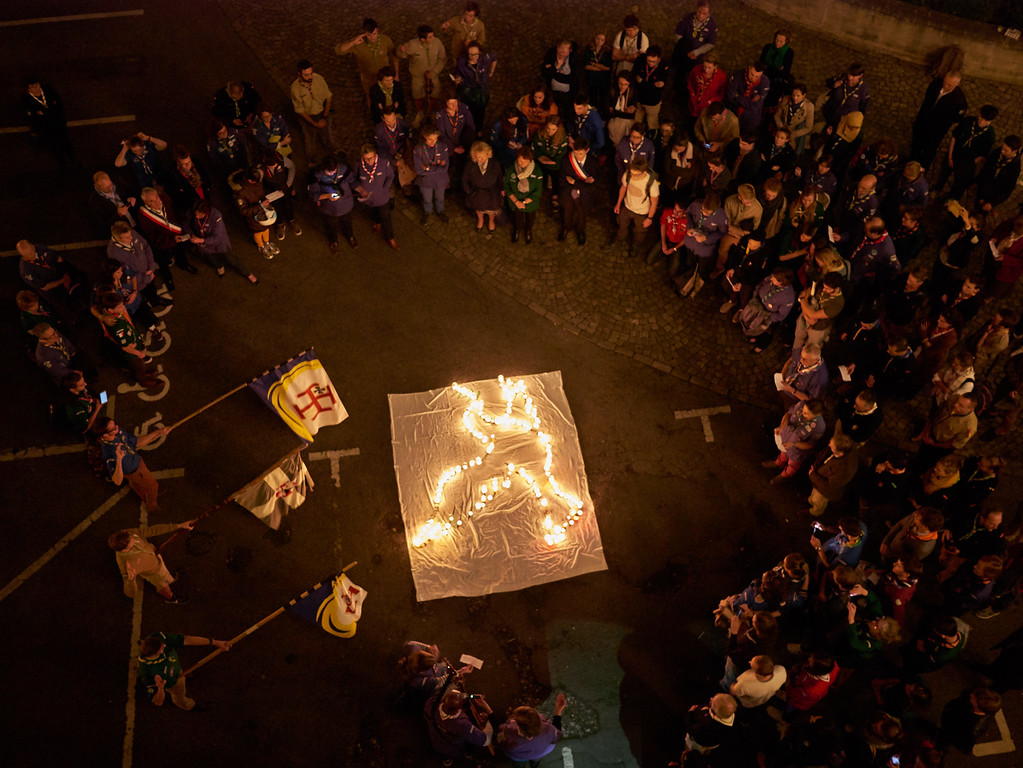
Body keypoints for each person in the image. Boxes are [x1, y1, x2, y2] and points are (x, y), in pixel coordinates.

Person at [94, 416, 170, 512]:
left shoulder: (118, 432)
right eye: (113, 428)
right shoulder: (109, 453)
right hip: (135, 471)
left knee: (137, 483)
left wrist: (159, 432)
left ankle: (136, 486)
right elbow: (117, 481)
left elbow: (136, 442)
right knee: (153, 486)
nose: (117, 427)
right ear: (105, 435)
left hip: (136, 461)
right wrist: (119, 459)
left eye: (115, 424)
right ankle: (152, 507)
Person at [137, 632, 231, 710]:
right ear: (154, 655)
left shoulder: (159, 638)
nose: (165, 645)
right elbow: (158, 702)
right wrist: (161, 689)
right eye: (161, 648)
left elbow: (187, 639)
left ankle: (184, 676)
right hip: (174, 683)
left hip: (177, 671)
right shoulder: (146, 672)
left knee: (182, 676)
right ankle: (189, 706)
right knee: (179, 697)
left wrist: (214, 642)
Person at [109, 520, 194, 601]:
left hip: (157, 559)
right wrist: (131, 580)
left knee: (166, 576)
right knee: (163, 586)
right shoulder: (126, 564)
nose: (134, 538)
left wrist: (179, 525)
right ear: (125, 549)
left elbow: (152, 530)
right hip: (154, 573)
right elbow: (131, 594)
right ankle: (171, 598)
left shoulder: (128, 534)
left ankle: (169, 578)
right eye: (131, 541)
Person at [935, 105, 998, 199]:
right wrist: (950, 157)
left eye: (986, 120)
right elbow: (954, 137)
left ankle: (951, 198)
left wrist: (966, 165)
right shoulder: (968, 121)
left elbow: (981, 156)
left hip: (967, 162)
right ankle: (937, 189)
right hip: (954, 153)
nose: (981, 121)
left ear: (990, 121)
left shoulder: (990, 135)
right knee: (944, 173)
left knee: (960, 184)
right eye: (981, 117)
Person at [187, 201, 258, 283]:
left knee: (232, 259)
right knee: (212, 259)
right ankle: (219, 267)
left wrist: (200, 240)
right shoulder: (193, 213)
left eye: (199, 215)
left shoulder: (216, 217)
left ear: (206, 213)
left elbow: (217, 237)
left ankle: (248, 274)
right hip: (205, 245)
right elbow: (186, 223)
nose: (196, 217)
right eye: (195, 214)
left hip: (219, 243)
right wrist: (191, 234)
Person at [911, 71, 968, 170]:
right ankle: (912, 163)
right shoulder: (936, 84)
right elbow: (927, 100)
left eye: (949, 85)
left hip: (936, 130)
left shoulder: (959, 101)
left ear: (957, 84)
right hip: (922, 121)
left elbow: (957, 118)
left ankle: (923, 168)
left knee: (929, 149)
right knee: (916, 144)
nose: (945, 86)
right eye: (945, 82)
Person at [138, 186, 197, 278]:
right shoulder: (144, 215)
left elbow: (176, 212)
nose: (156, 202)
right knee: (163, 260)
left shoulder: (165, 198)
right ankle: (168, 278)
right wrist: (170, 240)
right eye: (151, 201)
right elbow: (152, 235)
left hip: (175, 234)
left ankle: (184, 265)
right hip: (162, 242)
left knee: (179, 252)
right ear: (146, 203)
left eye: (156, 197)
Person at [763, 398, 826, 484]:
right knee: (783, 453)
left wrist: (794, 444)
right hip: (786, 438)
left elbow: (810, 445)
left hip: (797, 451)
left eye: (806, 413)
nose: (802, 413)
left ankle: (783, 476)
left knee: (793, 465)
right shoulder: (801, 404)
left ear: (817, 415)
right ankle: (778, 463)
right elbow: (789, 414)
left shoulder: (819, 427)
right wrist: (782, 426)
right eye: (803, 410)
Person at [108, 222, 170, 307]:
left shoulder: (131, 233)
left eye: (130, 234)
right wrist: (146, 277)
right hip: (140, 281)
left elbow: (146, 247)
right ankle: (153, 301)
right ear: (117, 238)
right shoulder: (114, 254)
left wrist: (151, 268)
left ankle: (155, 300)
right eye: (127, 237)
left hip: (148, 271)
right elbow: (125, 276)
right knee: (146, 292)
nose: (131, 238)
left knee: (152, 288)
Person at [335, 18, 398, 101]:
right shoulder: (358, 43)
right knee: (371, 97)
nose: (372, 37)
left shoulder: (385, 40)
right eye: (369, 35)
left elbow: (394, 57)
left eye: (374, 34)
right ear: (364, 33)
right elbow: (339, 50)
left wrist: (396, 74)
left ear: (377, 30)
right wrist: (353, 42)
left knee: (388, 97)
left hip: (384, 77)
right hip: (368, 78)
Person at [675, 192, 727, 291]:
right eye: (702, 209)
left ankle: (700, 282)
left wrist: (707, 238)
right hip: (691, 242)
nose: (703, 213)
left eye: (707, 213)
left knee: (703, 268)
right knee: (689, 262)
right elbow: (688, 214)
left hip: (706, 248)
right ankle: (687, 281)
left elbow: (722, 232)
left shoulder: (721, 216)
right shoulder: (696, 204)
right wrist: (690, 227)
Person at [17, 239, 88, 309]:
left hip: (59, 276)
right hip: (53, 292)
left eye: (31, 253)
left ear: (33, 246)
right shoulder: (26, 271)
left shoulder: (38, 248)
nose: (31, 257)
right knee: (69, 305)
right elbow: (44, 287)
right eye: (27, 256)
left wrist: (65, 272)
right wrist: (63, 280)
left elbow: (57, 258)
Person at [497, 694, 566, 766]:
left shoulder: (508, 733)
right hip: (540, 752)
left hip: (519, 756)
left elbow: (501, 743)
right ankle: (535, 764)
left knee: (519, 763)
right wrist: (558, 710)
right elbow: (557, 732)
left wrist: (489, 712)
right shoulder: (548, 728)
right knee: (536, 759)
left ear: (519, 728)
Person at [425, 688, 493, 761]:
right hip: (453, 748)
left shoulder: (431, 703)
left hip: (436, 741)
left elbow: (439, 693)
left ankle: (446, 759)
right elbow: (486, 740)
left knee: (443, 752)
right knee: (467, 745)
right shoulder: (462, 725)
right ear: (460, 707)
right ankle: (467, 754)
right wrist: (488, 722)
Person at [308, 154, 357, 254]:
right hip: (329, 208)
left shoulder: (344, 169)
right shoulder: (316, 176)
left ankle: (350, 236)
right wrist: (327, 196)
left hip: (345, 204)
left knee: (347, 222)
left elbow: (352, 181)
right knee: (331, 226)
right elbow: (313, 195)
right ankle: (334, 241)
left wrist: (361, 189)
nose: (332, 174)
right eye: (329, 171)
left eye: (334, 171)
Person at [21, 77, 75, 168]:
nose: (36, 88)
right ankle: (63, 164)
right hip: (45, 127)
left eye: (37, 85)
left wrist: (44, 113)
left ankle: (73, 161)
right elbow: (32, 115)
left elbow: (59, 104)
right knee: (55, 146)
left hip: (58, 123)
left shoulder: (48, 90)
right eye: (33, 86)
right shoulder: (27, 99)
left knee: (66, 142)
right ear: (29, 89)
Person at [738, 269, 795, 352]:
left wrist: (768, 317)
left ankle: (761, 344)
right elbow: (762, 283)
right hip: (758, 304)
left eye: (774, 279)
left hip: (767, 314)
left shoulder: (788, 298)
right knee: (751, 322)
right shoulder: (772, 277)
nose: (771, 279)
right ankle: (753, 336)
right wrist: (756, 293)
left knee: (764, 332)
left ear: (781, 283)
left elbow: (781, 315)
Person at [672, 1, 718, 105]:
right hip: (684, 53)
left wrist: (696, 52)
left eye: (704, 13)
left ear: (708, 13)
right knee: (680, 74)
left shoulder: (711, 24)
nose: (701, 15)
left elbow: (711, 43)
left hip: (697, 57)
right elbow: (678, 35)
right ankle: (676, 93)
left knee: (693, 76)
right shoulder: (688, 18)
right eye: (699, 12)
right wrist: (687, 50)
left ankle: (690, 97)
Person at [399, 25, 446, 126]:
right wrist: (402, 51)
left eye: (432, 36)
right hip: (417, 76)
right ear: (422, 39)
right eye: (430, 37)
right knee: (417, 93)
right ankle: (420, 112)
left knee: (436, 90)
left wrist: (434, 72)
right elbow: (402, 55)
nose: (433, 39)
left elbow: (442, 59)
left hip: (433, 75)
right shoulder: (412, 45)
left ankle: (431, 110)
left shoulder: (437, 42)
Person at [612, 157, 659, 256]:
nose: (633, 177)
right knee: (622, 224)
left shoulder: (651, 183)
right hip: (627, 206)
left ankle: (635, 245)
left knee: (640, 231)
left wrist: (649, 218)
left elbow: (654, 202)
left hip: (642, 212)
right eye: (632, 173)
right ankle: (618, 240)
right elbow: (623, 188)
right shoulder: (628, 175)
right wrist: (618, 204)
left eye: (636, 175)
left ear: (644, 172)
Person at [355, 143, 397, 249]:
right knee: (373, 211)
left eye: (370, 158)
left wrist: (385, 188)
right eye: (366, 159)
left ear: (375, 155)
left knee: (386, 217)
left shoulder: (383, 163)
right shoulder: (358, 165)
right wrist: (360, 190)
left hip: (382, 197)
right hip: (367, 198)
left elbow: (390, 176)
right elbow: (353, 180)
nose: (368, 161)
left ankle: (390, 238)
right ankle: (377, 222)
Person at [290, 59, 334, 162]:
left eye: (311, 73)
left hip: (322, 112)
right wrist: (314, 124)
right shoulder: (295, 88)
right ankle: (312, 161)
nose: (310, 77)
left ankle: (332, 152)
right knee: (309, 140)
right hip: (307, 116)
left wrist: (324, 117)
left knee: (327, 134)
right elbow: (300, 110)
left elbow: (328, 97)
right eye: (306, 75)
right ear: (299, 74)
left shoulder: (318, 79)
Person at [806, 434, 859, 516]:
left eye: (831, 446)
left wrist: (813, 475)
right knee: (813, 495)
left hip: (825, 491)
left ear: (840, 453)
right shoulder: (838, 448)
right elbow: (823, 454)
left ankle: (812, 512)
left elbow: (829, 486)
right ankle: (809, 501)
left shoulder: (844, 469)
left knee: (818, 503)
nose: (829, 445)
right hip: (818, 481)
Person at [559, 137, 598, 245]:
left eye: (580, 154)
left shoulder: (592, 162)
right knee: (567, 210)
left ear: (587, 151)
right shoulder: (567, 159)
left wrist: (589, 181)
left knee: (581, 212)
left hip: (584, 192)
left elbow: (595, 180)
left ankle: (580, 230)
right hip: (569, 190)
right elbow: (561, 176)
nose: (577, 156)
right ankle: (566, 227)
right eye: (575, 152)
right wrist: (566, 178)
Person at [939, 688, 1002, 754]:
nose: (982, 697)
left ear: (982, 709)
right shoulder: (972, 699)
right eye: (985, 696)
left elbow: (966, 743)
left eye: (985, 702)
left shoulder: (971, 725)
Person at [234, 166, 278, 259]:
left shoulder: (257, 182)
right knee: (258, 232)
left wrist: (266, 200)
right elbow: (244, 211)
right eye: (256, 180)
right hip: (253, 217)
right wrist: (260, 206)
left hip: (263, 212)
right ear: (250, 180)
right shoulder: (241, 192)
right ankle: (261, 246)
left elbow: (261, 193)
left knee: (266, 228)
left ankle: (267, 243)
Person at [792, 272, 844, 350]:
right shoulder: (822, 284)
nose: (823, 289)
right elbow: (808, 290)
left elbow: (813, 315)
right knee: (798, 337)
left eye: (827, 288)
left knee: (811, 347)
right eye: (824, 287)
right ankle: (795, 356)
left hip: (819, 327)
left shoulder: (837, 303)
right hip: (805, 316)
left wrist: (802, 300)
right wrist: (806, 311)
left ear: (836, 289)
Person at [453, 42, 497, 130]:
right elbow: (457, 74)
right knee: (468, 111)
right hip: (468, 90)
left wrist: (491, 72)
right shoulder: (462, 62)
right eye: (471, 54)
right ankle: (469, 128)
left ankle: (478, 128)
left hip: (482, 90)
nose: (473, 57)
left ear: (479, 53)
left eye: (475, 54)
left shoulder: (484, 58)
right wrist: (457, 79)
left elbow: (494, 57)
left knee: (481, 111)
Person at [258, 149, 301, 241]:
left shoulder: (281, 160)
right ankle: (280, 224)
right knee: (276, 207)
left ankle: (292, 220)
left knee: (288, 203)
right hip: (271, 191)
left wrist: (288, 184)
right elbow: (259, 182)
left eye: (276, 165)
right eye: (272, 166)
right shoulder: (260, 167)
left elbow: (292, 167)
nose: (275, 167)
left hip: (284, 187)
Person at [504, 146, 543, 244]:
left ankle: (528, 231)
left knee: (530, 217)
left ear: (530, 160)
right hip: (515, 201)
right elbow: (506, 186)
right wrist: (516, 202)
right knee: (517, 217)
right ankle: (517, 230)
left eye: (525, 162)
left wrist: (524, 202)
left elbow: (538, 191)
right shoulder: (511, 168)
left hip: (530, 202)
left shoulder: (537, 171)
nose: (522, 164)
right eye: (520, 161)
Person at [413, 126, 450, 225]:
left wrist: (428, 168)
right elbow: (419, 170)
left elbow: (445, 167)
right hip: (426, 181)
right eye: (430, 139)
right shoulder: (418, 149)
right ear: (424, 137)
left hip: (440, 179)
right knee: (427, 198)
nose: (433, 142)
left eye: (435, 139)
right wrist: (437, 168)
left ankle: (440, 211)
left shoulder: (442, 147)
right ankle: (427, 212)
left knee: (440, 197)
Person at [463, 141, 502, 234]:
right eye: (478, 157)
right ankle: (480, 220)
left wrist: (500, 190)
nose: (481, 159)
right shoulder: (470, 165)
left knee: (491, 210)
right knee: (479, 209)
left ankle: (491, 221)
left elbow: (500, 178)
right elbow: (465, 178)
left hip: (491, 192)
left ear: (488, 154)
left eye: (483, 156)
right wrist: (468, 191)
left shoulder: (495, 164)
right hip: (477, 192)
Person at [975, 136, 1022, 212]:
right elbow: (986, 168)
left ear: (1014, 151)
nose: (1002, 151)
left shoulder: (1015, 168)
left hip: (991, 196)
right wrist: (977, 181)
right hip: (983, 188)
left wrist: (992, 203)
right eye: (1002, 147)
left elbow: (1007, 190)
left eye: (1005, 150)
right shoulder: (998, 152)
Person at [881, 507, 946, 563]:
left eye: (918, 518)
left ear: (925, 527)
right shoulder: (917, 515)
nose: (915, 515)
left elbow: (907, 560)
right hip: (887, 546)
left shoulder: (924, 547)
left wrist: (887, 554)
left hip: (892, 560)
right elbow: (900, 524)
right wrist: (885, 541)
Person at [682, 694, 736, 758]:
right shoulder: (728, 715)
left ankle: (688, 754)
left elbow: (691, 729)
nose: (711, 699)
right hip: (712, 743)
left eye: (713, 703)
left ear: (714, 713)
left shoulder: (707, 724)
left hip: (698, 741)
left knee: (694, 749)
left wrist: (690, 713)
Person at [532, 116, 568, 211]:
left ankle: (555, 195)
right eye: (548, 128)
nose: (550, 131)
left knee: (555, 179)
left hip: (554, 165)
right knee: (541, 177)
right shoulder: (539, 133)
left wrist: (553, 161)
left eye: (553, 129)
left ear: (558, 128)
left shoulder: (562, 138)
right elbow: (535, 147)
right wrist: (539, 157)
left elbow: (562, 154)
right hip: (541, 163)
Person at [821, 63, 870, 131]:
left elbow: (863, 107)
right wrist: (834, 85)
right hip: (831, 116)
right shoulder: (841, 78)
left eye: (853, 76)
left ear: (860, 75)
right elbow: (827, 84)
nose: (850, 77)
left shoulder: (863, 89)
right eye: (849, 74)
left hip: (846, 121)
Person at [778, 343, 828, 408]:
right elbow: (790, 360)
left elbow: (810, 400)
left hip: (793, 399)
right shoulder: (802, 352)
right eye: (801, 356)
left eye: (805, 359)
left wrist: (792, 390)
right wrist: (782, 375)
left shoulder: (820, 378)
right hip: (784, 386)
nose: (801, 360)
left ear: (816, 360)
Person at [725, 61, 770, 135]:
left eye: (757, 76)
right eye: (752, 74)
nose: (753, 78)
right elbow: (730, 96)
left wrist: (738, 97)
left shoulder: (765, 81)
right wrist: (750, 101)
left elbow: (756, 105)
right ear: (748, 69)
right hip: (734, 113)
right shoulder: (738, 76)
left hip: (752, 118)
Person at [166, 145, 211, 215]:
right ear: (178, 163)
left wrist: (208, 188)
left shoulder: (196, 164)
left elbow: (205, 176)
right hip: (192, 206)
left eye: (189, 162)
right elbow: (177, 195)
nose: (188, 165)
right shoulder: (173, 174)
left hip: (204, 197)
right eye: (184, 164)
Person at [632, 45, 667, 132]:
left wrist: (643, 82)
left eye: (653, 61)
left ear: (659, 59)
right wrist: (651, 85)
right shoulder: (641, 59)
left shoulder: (663, 66)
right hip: (640, 98)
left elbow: (660, 85)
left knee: (652, 125)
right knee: (636, 124)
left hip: (653, 102)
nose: (650, 63)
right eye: (649, 61)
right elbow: (634, 75)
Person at [540, 40, 579, 119]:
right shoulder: (551, 55)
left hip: (568, 92)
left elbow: (571, 79)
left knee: (568, 110)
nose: (562, 51)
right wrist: (557, 66)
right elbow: (544, 72)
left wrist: (553, 72)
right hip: (553, 89)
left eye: (565, 49)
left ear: (570, 50)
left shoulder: (574, 59)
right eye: (561, 48)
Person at [686, 53, 726, 126]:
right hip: (694, 103)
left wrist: (712, 100)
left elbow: (722, 93)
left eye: (709, 68)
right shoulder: (696, 69)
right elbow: (690, 81)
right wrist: (692, 93)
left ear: (715, 66)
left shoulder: (721, 77)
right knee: (692, 121)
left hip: (707, 106)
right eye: (704, 67)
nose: (706, 70)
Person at [581, 33, 612, 117]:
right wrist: (599, 67)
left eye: (602, 40)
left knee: (603, 99)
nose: (599, 42)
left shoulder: (607, 51)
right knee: (592, 98)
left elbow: (608, 68)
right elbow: (586, 65)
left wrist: (594, 65)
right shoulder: (589, 49)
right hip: (591, 79)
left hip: (603, 80)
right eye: (597, 39)